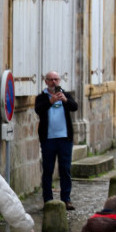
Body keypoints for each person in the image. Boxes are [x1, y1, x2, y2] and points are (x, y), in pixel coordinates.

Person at [34, 70, 80, 210]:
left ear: (59, 81)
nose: (54, 82)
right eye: (51, 79)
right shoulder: (41, 97)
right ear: (46, 81)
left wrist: (65, 100)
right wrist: (50, 101)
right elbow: (38, 110)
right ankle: (48, 200)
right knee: (48, 169)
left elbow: (75, 107)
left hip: (65, 139)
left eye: (56, 79)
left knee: (65, 169)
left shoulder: (65, 95)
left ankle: (66, 199)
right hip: (48, 139)